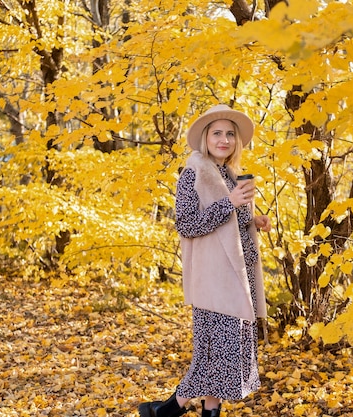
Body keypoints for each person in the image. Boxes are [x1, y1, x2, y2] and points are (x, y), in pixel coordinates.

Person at [138, 104, 271, 417]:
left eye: (229, 134)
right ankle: (168, 410)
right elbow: (186, 225)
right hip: (213, 280)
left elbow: (230, 228)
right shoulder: (192, 174)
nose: (223, 139)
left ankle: (203, 412)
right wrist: (229, 202)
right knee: (213, 355)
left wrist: (254, 221)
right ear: (206, 139)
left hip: (238, 275)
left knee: (226, 357)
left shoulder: (230, 174)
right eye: (217, 133)